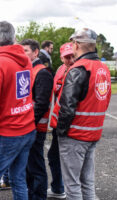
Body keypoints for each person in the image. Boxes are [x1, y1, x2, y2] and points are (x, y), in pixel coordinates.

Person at [0, 21, 36, 200]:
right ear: (14, 39)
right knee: (18, 178)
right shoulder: (26, 61)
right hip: (27, 129)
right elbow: (22, 92)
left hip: (7, 133)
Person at [56, 28, 111, 200]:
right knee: (87, 182)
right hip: (93, 132)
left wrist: (61, 131)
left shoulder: (78, 69)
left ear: (77, 45)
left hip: (75, 134)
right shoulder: (103, 69)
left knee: (72, 186)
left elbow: (67, 106)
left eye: (73, 43)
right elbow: (105, 99)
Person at [20, 39, 53, 200]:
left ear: (36, 52)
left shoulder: (42, 73)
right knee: (28, 167)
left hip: (34, 128)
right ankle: (31, 194)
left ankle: (39, 197)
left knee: (36, 166)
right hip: (27, 127)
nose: (23, 53)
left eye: (26, 50)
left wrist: (28, 123)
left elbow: (41, 104)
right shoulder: (28, 70)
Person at [47, 42, 74, 199]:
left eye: (72, 56)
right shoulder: (60, 69)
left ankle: (63, 190)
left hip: (70, 123)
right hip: (59, 122)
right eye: (66, 57)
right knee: (54, 156)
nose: (69, 59)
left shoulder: (77, 70)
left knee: (66, 159)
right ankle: (58, 188)